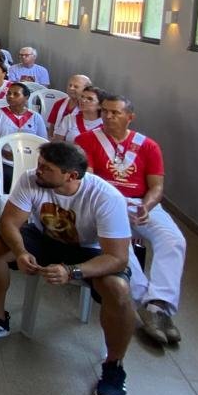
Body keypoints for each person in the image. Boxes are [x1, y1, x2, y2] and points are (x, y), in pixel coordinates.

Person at [0, 141, 135, 395]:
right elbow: (9, 222)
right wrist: (21, 251)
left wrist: (72, 271)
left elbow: (117, 257)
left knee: (119, 290)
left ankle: (114, 365)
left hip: (89, 251)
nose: (38, 170)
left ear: (71, 176)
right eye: (39, 164)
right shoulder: (31, 180)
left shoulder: (105, 197)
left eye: (47, 168)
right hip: (42, 238)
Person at [78, 95, 183, 347]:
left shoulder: (148, 146)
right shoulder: (86, 141)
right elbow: (89, 181)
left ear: (130, 117)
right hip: (104, 203)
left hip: (140, 203)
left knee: (174, 240)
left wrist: (147, 206)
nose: (108, 116)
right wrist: (114, 205)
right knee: (121, 247)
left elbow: (157, 186)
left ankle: (159, 303)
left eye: (115, 112)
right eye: (105, 112)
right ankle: (144, 302)